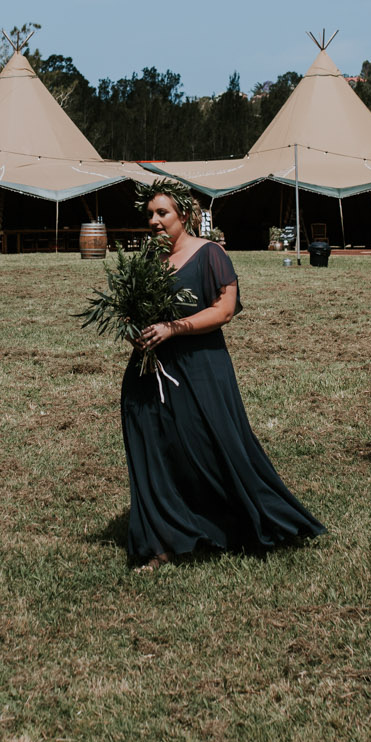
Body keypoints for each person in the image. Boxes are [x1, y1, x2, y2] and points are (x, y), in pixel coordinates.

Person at [119, 178, 324, 571]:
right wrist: (134, 332)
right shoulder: (148, 260)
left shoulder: (210, 254)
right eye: (150, 215)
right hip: (149, 371)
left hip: (200, 368)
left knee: (211, 445)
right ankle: (160, 540)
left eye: (162, 213)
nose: (155, 221)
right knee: (154, 451)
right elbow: (131, 308)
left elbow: (224, 310)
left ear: (184, 215)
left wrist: (174, 328)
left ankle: (239, 519)